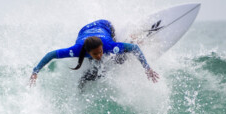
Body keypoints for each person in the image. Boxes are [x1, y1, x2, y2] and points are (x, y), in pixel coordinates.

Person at [29, 19, 159, 88]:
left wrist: (147, 68)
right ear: (88, 52)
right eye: (96, 54)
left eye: (100, 52)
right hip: (85, 30)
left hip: (105, 25)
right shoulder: (76, 50)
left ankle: (133, 37)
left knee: (120, 59)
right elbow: (51, 55)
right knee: (93, 74)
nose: (100, 55)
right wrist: (35, 71)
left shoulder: (109, 46)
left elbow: (134, 49)